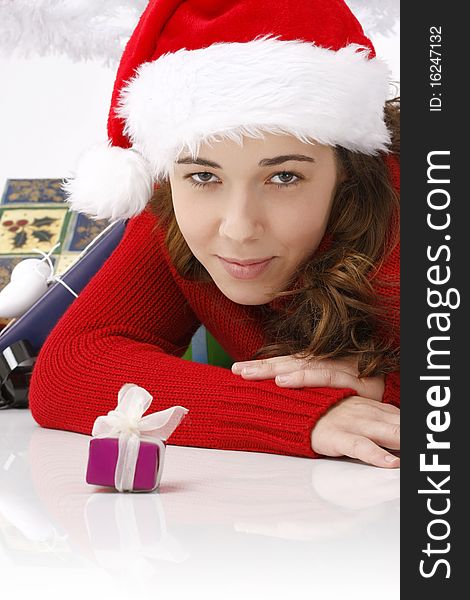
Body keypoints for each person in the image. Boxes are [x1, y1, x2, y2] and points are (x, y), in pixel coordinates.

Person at [28, 0, 400, 468]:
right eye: (204, 177)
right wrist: (302, 413)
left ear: (346, 171)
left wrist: (389, 384)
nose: (239, 228)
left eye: (284, 177)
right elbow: (71, 368)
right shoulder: (170, 212)